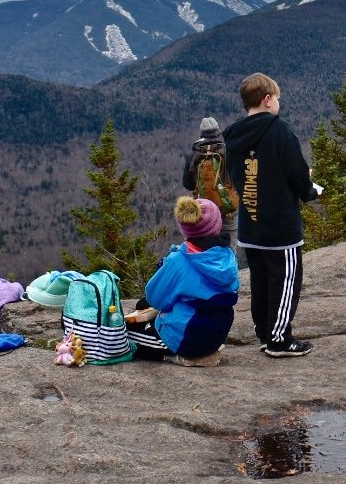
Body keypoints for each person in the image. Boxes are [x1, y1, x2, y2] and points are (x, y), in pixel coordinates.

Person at [224, 72, 319, 357]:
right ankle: (279, 339)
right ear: (267, 99)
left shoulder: (232, 135)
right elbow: (297, 174)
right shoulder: (280, 132)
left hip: (250, 224)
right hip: (280, 226)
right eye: (277, 98)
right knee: (286, 279)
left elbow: (237, 175)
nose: (278, 103)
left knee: (262, 281)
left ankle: (265, 333)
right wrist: (310, 190)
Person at [136, 196, 240, 367]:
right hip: (218, 333)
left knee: (129, 335)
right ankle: (201, 352)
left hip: (187, 337)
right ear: (217, 225)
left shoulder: (178, 261)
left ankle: (178, 357)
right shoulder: (227, 256)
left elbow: (155, 299)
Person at [182, 116, 243, 266]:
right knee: (230, 248)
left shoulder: (193, 154)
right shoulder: (227, 151)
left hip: (203, 211)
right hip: (227, 209)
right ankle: (228, 278)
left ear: (201, 133)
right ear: (218, 131)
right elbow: (238, 178)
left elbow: (188, 184)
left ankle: (206, 281)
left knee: (202, 249)